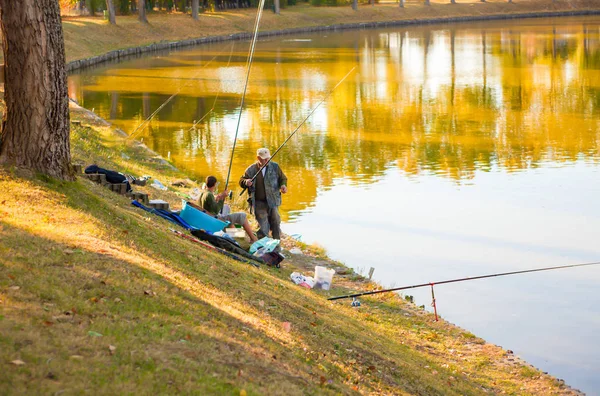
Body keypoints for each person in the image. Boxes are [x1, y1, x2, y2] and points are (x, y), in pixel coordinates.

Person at [239, 148, 287, 240]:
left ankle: (276, 243)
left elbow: (283, 178)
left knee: (276, 222)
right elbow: (241, 181)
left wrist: (283, 185)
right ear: (258, 158)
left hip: (273, 201)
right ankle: (264, 245)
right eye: (264, 159)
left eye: (268, 158)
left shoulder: (275, 167)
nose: (267, 160)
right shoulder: (251, 169)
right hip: (258, 202)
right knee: (263, 226)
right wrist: (246, 182)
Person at [199, 175, 258, 242]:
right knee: (242, 216)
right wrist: (222, 198)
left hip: (210, 218)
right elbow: (215, 210)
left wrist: (217, 199)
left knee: (235, 227)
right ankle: (253, 239)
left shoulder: (204, 193)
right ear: (214, 184)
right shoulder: (209, 195)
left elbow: (209, 207)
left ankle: (240, 237)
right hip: (215, 221)